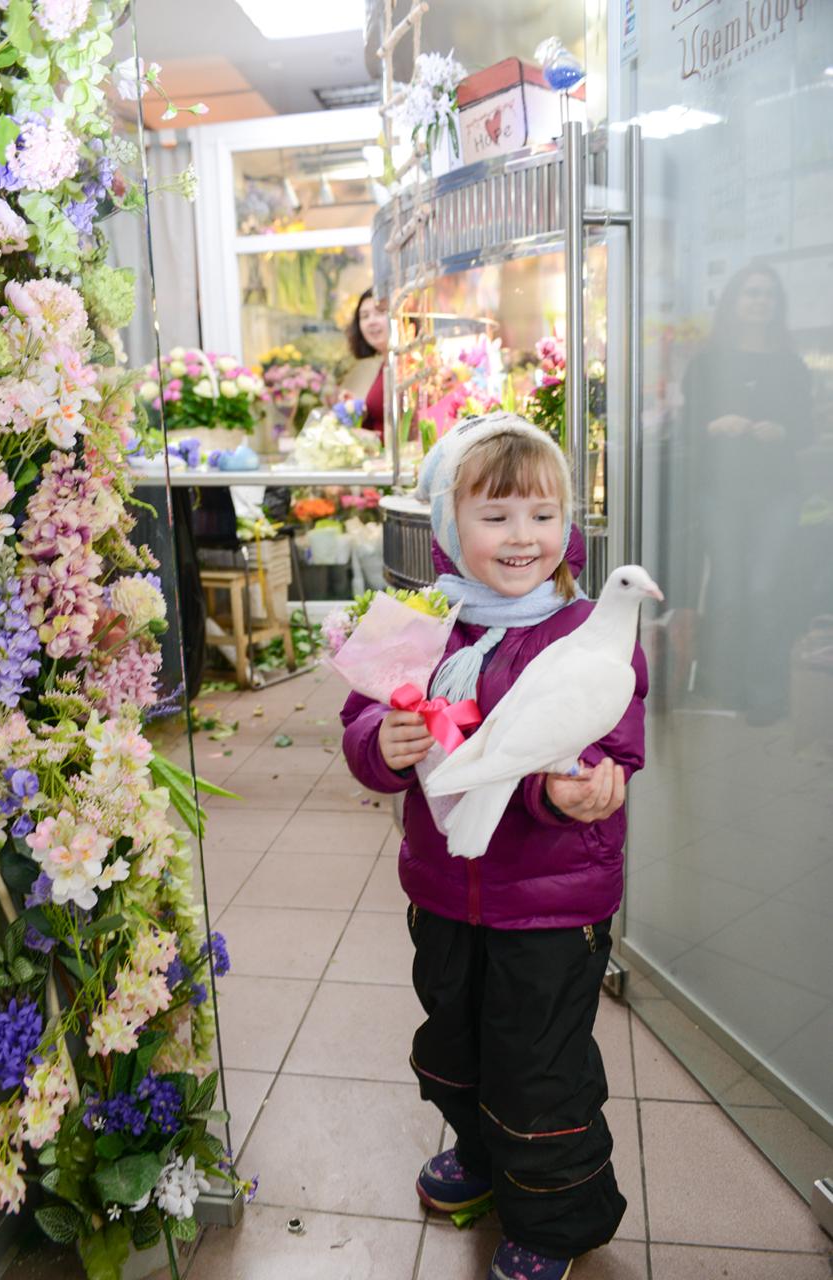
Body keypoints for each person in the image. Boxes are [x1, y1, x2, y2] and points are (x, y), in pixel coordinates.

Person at [340, 413, 648, 1280]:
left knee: (539, 1067)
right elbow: (359, 719)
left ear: (568, 528)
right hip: (441, 894)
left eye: (543, 515)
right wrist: (380, 742)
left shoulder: (589, 631)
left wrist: (577, 789)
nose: (523, 538)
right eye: (496, 515)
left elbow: (612, 745)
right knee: (456, 1042)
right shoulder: (415, 618)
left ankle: (552, 1221)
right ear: (447, 526)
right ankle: (480, 1159)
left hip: (550, 907)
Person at [671, 262, 813, 723]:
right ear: (735, 301)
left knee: (764, 587)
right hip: (721, 493)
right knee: (728, 590)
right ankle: (724, 687)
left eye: (767, 295)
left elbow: (808, 429)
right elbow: (688, 426)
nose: (759, 301)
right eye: (751, 293)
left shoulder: (791, 365)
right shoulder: (708, 362)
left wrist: (783, 431)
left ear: (777, 305)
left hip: (776, 493)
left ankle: (766, 694)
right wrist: (715, 425)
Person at [342, 287, 388, 440]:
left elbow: (411, 434)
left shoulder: (410, 365)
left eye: (380, 312)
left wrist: (370, 437)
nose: (371, 322)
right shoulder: (385, 364)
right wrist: (357, 410)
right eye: (365, 316)